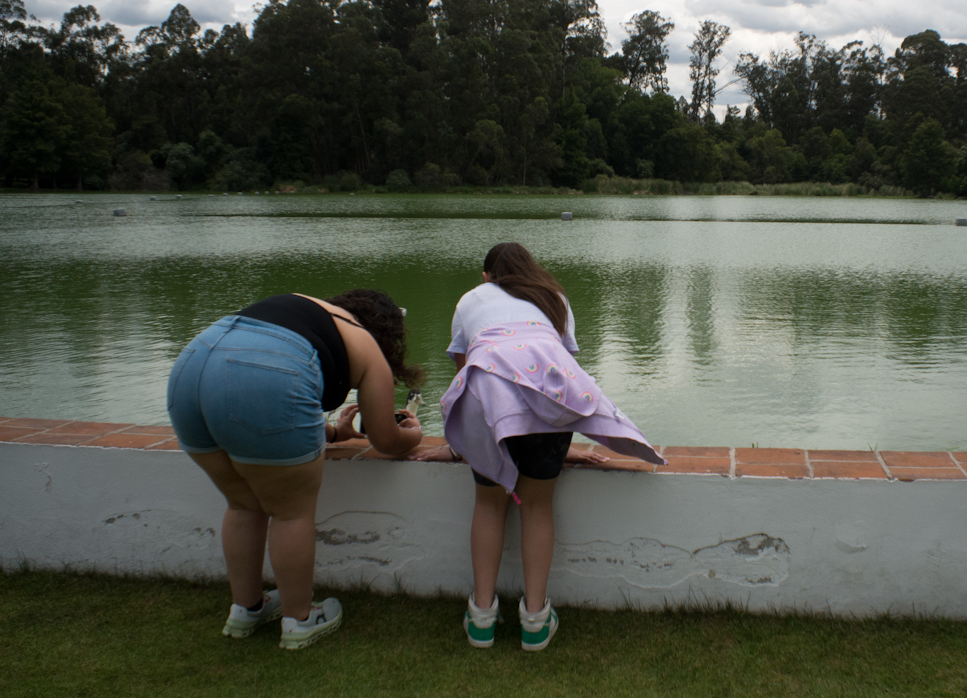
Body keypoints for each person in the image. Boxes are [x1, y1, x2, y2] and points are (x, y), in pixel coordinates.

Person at [415, 243, 663, 652]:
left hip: (487, 395)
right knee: (536, 506)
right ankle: (534, 621)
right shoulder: (554, 297)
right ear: (530, 268)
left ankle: (481, 619)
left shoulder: (472, 298)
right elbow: (554, 381)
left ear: (486, 276)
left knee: (489, 504)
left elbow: (467, 375)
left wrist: (461, 446)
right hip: (547, 402)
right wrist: (565, 448)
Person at [167, 290, 440, 649]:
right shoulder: (367, 344)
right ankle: (299, 620)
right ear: (387, 334)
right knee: (290, 512)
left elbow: (253, 399)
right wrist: (414, 434)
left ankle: (246, 609)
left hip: (191, 366)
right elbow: (386, 440)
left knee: (243, 504)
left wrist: (335, 433)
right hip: (264, 376)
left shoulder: (307, 312)